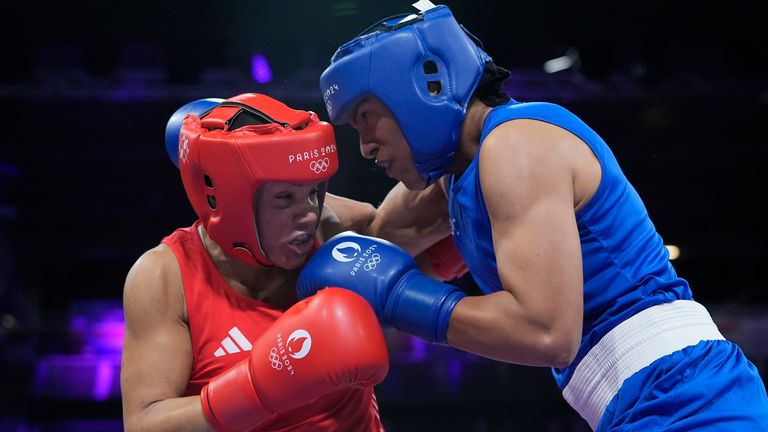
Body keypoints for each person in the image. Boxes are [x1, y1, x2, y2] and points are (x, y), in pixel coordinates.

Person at [298, 3, 768, 430]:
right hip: (645, 401)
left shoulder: (516, 146)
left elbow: (546, 333)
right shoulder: (457, 174)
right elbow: (373, 235)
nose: (365, 147)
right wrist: (271, 190)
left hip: (689, 396)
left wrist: (400, 298)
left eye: (366, 116)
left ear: (421, 88)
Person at [120, 93, 394, 432]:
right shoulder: (166, 277)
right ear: (232, 202)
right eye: (284, 198)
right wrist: (255, 389)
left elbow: (421, 219)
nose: (308, 213)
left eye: (314, 191)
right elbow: (144, 423)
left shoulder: (332, 230)